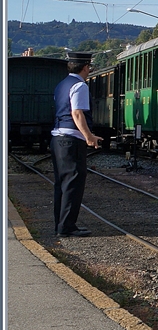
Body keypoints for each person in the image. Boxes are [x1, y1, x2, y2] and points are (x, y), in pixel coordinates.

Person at [51, 52, 103, 237]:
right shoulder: (80, 86)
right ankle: (67, 227)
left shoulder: (61, 85)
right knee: (73, 183)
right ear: (85, 67)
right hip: (71, 140)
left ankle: (60, 224)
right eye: (89, 67)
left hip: (57, 138)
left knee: (62, 183)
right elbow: (77, 113)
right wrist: (88, 136)